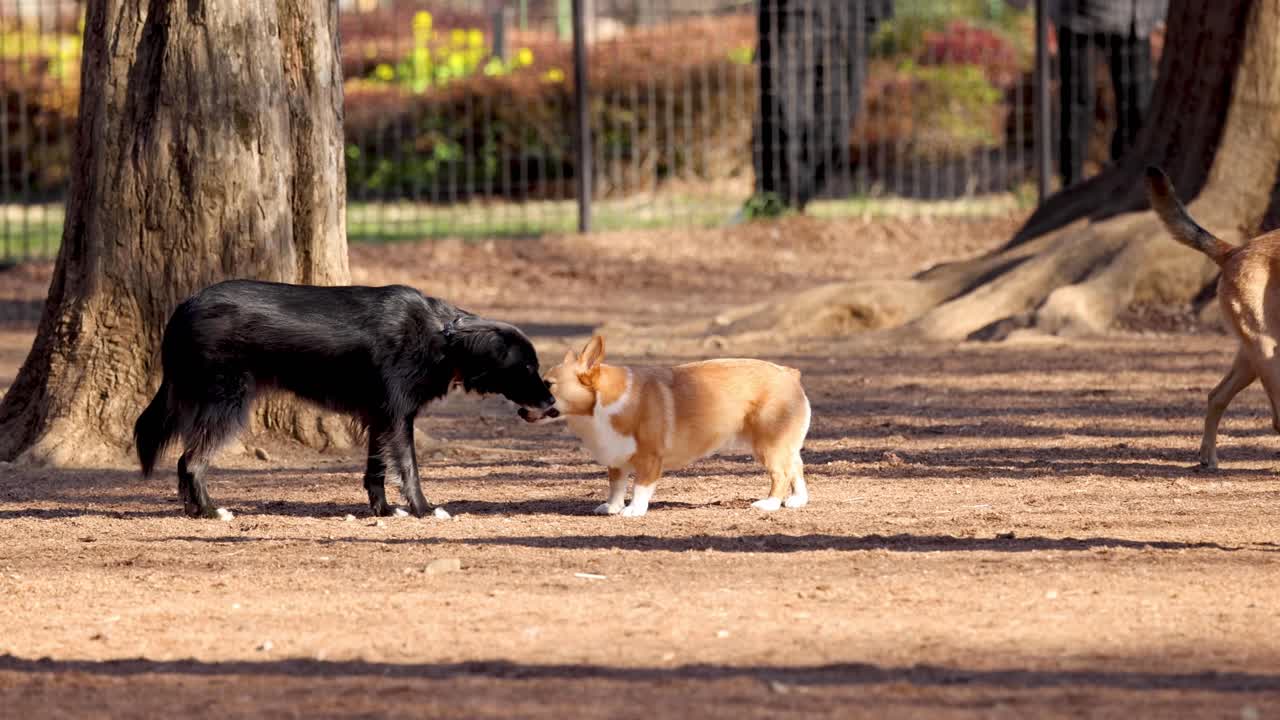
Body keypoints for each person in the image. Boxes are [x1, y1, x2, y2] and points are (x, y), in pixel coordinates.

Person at [752, 0, 894, 211]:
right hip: (794, 10)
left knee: (840, 117)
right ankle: (773, 198)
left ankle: (797, 199)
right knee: (785, 106)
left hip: (851, 12)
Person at [1050, 0, 1168, 186]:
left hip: (1135, 18)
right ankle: (1070, 185)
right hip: (1078, 15)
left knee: (1137, 105)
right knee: (1077, 103)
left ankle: (1127, 180)